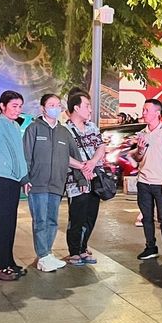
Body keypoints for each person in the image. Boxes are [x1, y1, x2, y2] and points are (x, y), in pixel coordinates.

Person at [23, 93, 79, 273]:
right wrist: (25, 178)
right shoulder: (34, 129)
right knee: (40, 220)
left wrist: (81, 177)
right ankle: (43, 256)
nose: (55, 107)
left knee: (52, 221)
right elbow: (26, 156)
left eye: (57, 104)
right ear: (43, 108)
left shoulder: (64, 132)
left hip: (57, 184)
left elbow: (74, 156)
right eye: (51, 104)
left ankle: (46, 254)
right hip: (37, 184)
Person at [0, 91, 30, 280]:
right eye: (14, 106)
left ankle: (8, 262)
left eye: (20, 106)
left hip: (12, 179)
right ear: (2, 106)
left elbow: (19, 154)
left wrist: (24, 178)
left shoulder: (14, 126)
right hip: (0, 178)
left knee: (9, 223)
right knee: (0, 224)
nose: (18, 110)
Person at [130, 99, 162, 264]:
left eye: (146, 110)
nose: (143, 113)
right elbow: (137, 158)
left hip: (160, 182)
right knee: (146, 217)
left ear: (157, 113)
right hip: (143, 181)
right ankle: (150, 246)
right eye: (143, 110)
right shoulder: (142, 134)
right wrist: (140, 150)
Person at [64, 91, 107, 266]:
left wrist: (92, 163)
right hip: (76, 181)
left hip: (94, 178)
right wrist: (83, 166)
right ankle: (74, 251)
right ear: (76, 107)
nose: (90, 109)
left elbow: (101, 146)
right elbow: (63, 155)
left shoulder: (92, 127)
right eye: (87, 105)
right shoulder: (65, 131)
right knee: (77, 216)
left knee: (91, 215)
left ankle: (83, 248)